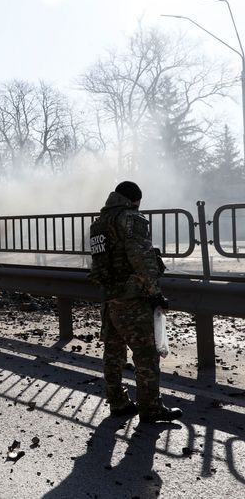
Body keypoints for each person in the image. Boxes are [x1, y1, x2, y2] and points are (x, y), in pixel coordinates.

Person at [89, 181, 182, 423]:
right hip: (132, 299)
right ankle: (150, 408)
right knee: (146, 354)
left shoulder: (99, 223)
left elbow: (99, 264)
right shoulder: (131, 218)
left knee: (113, 351)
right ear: (134, 200)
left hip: (110, 298)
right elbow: (142, 259)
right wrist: (154, 293)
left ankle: (117, 402)